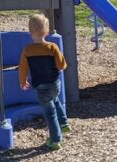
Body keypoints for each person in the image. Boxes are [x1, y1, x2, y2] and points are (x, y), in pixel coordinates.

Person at [18, 14, 71, 150]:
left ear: (30, 32)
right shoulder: (52, 47)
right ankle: (64, 123)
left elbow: (23, 68)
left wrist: (23, 81)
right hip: (54, 84)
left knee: (50, 112)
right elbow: (62, 65)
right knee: (56, 99)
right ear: (47, 31)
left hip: (41, 87)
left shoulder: (27, 50)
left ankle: (55, 140)